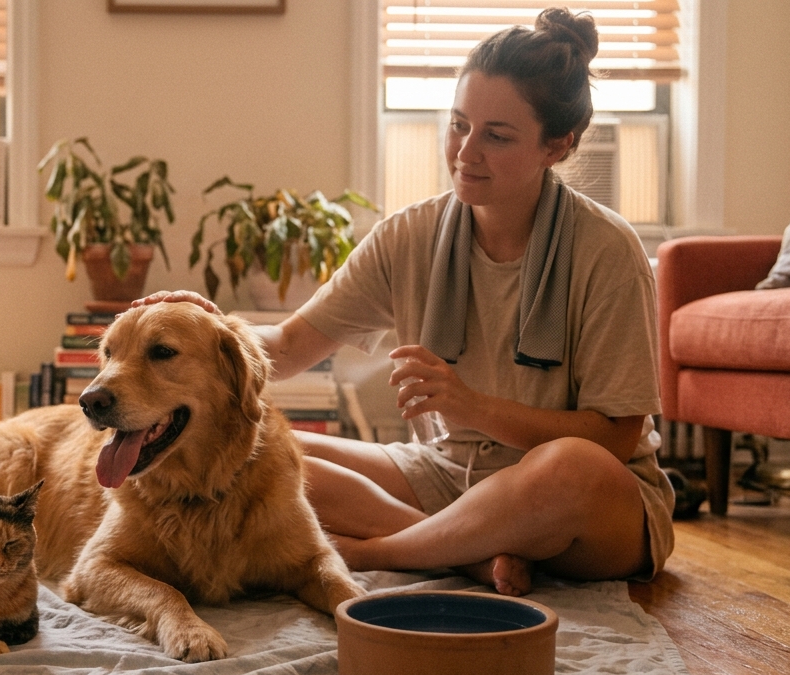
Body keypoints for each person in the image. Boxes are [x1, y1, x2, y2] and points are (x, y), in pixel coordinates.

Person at [141, 8, 674, 597]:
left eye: (496, 136)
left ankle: (381, 552)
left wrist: (473, 408)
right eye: (458, 124)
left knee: (567, 467)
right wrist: (208, 327)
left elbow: (617, 437)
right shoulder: (409, 236)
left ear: (557, 145)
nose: (465, 152)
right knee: (263, 450)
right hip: (449, 475)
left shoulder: (607, 249)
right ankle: (469, 555)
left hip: (589, 507)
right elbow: (289, 348)